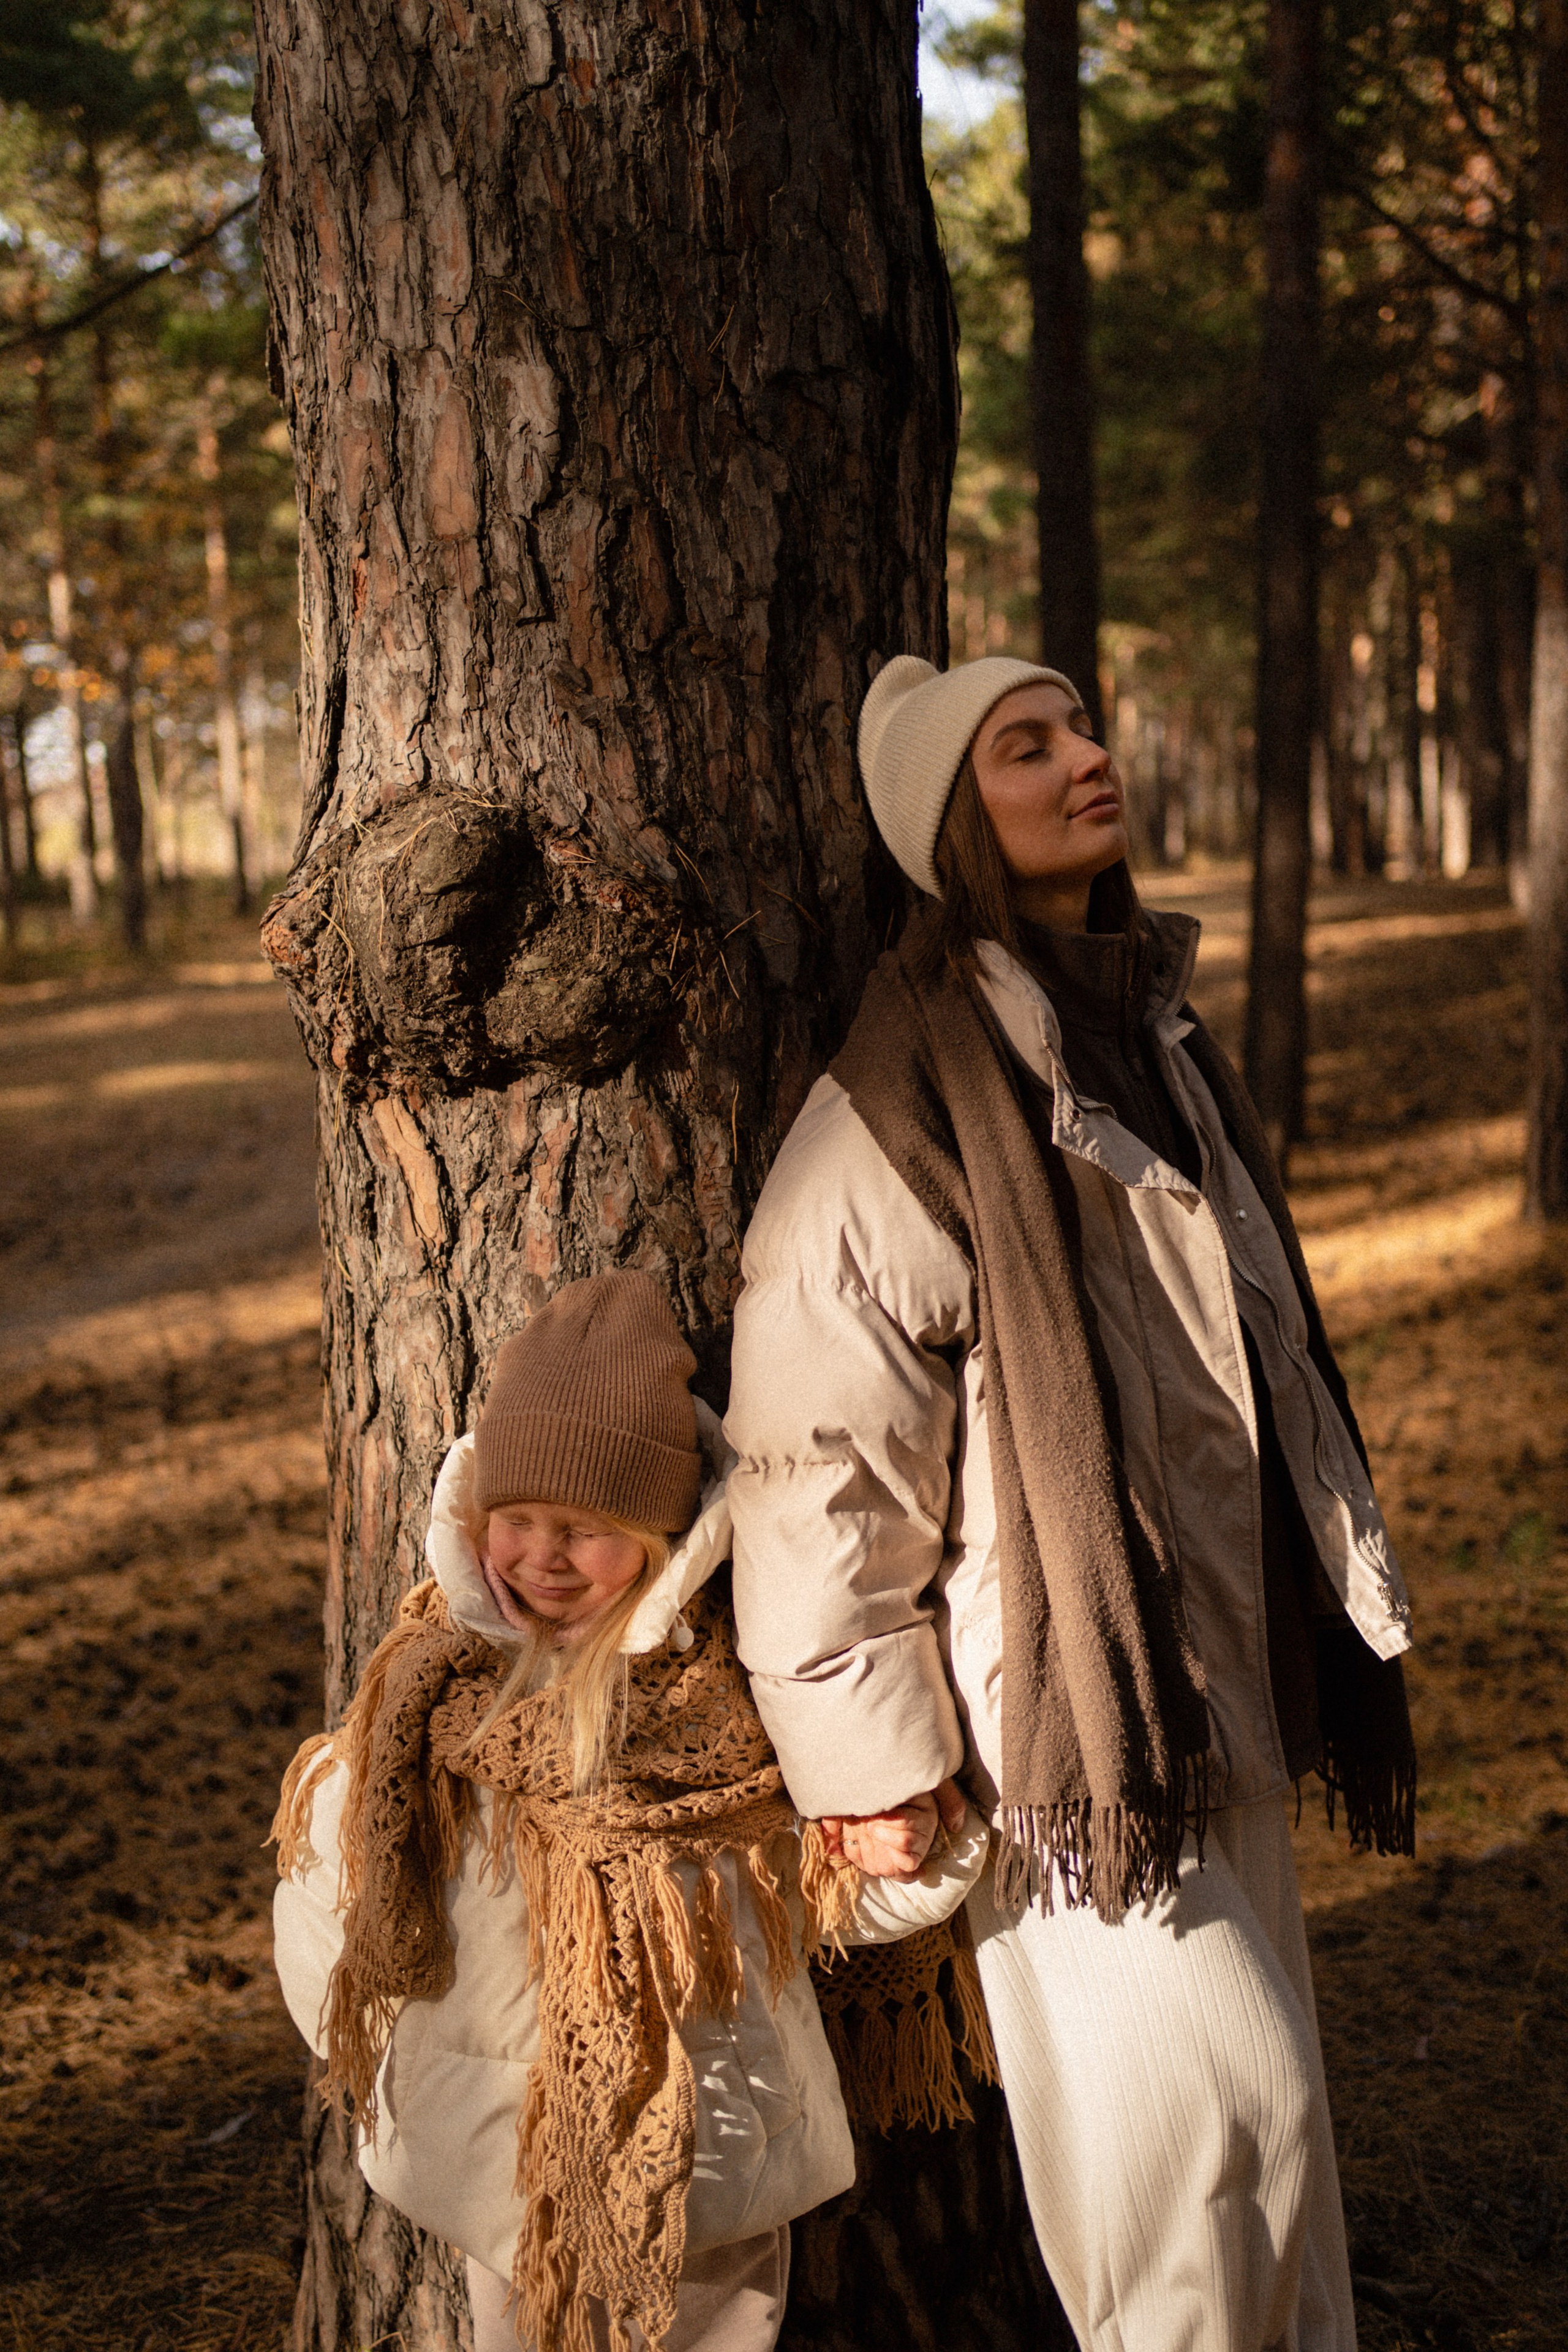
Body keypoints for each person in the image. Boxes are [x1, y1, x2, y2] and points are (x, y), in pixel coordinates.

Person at [725, 656, 1418, 2351]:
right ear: (953, 818)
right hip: (1065, 1750)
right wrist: (869, 1764)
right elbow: (821, 1465)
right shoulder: (894, 1112)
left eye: (1082, 727)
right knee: (1194, 2186)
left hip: (1220, 1694)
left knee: (1278, 2184)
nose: (1087, 760)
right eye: (1026, 748)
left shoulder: (1150, 1037)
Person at [271, 1269, 987, 2352]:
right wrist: (382, 2061)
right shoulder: (422, 1698)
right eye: (518, 1520)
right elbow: (330, 1893)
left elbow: (815, 1903)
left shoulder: (734, 1705)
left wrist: (900, 1853)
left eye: (587, 1529)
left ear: (658, 1539)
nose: (544, 1557)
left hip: (713, 2148)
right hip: (498, 2163)